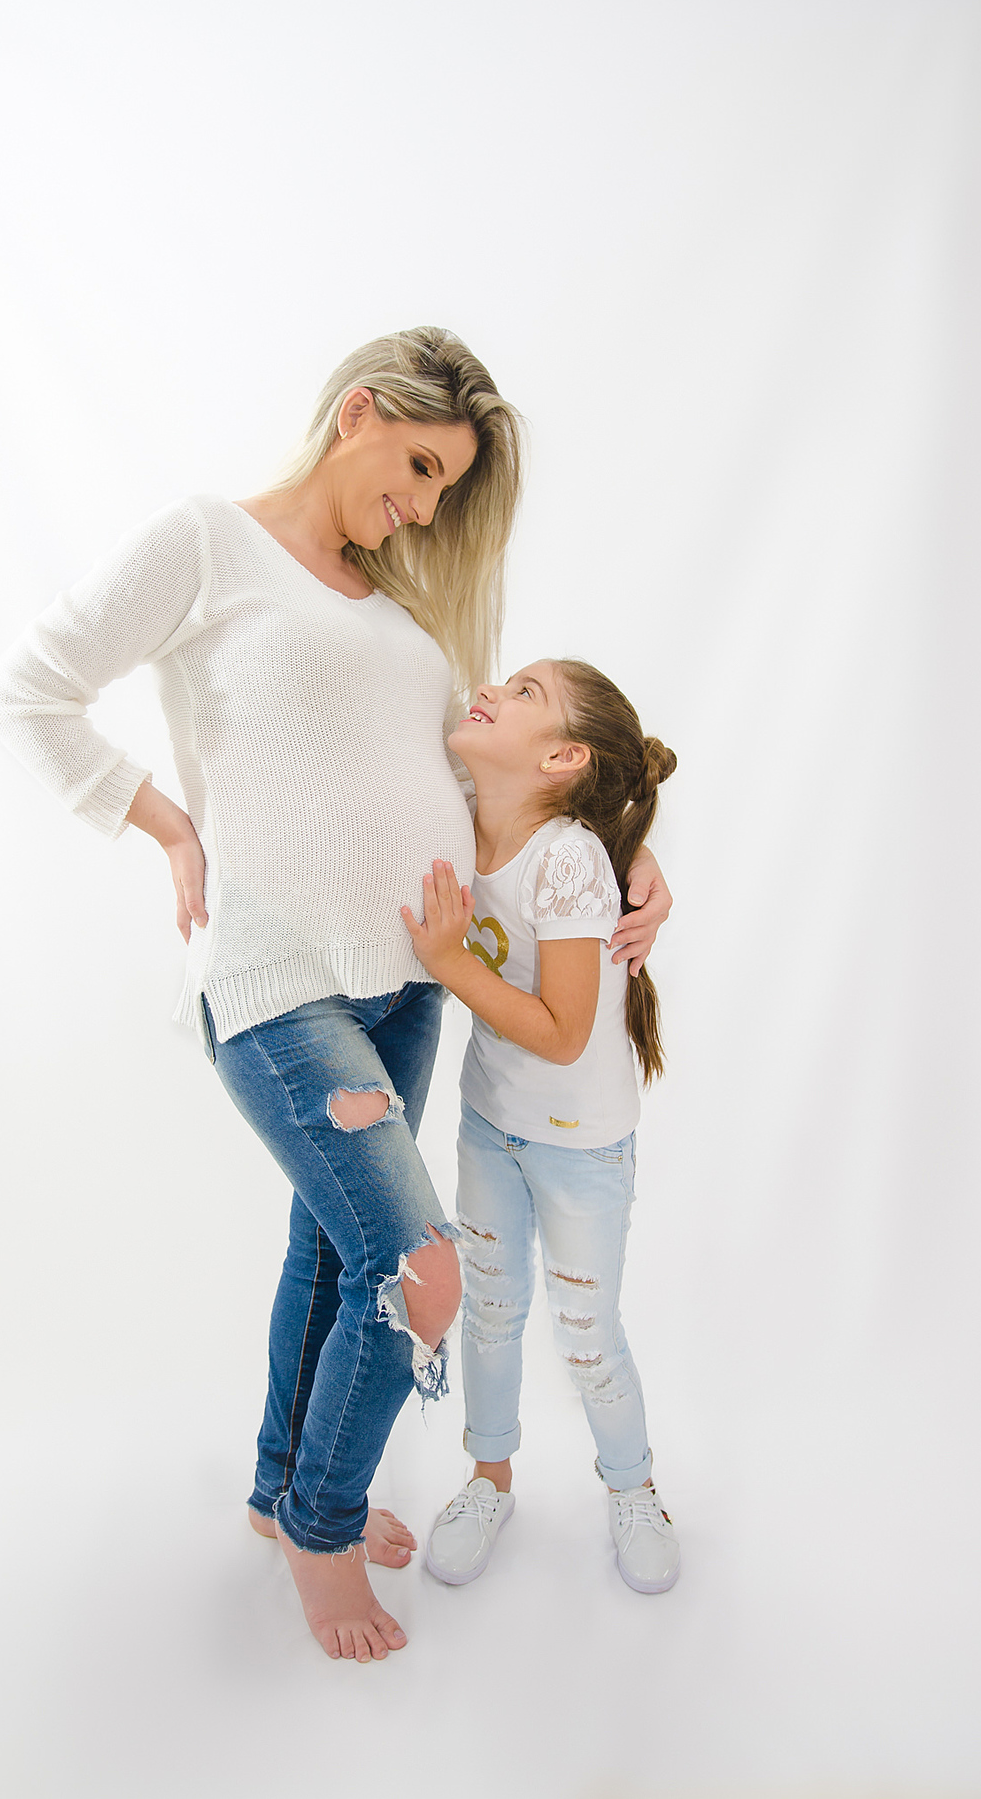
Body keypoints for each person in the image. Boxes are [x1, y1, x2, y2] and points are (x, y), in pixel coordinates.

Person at [0, 329, 673, 1663]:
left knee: (331, 1247)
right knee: (416, 1270)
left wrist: (630, 855)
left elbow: (508, 773)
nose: (421, 507)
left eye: (443, 492)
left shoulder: (390, 601)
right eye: (417, 467)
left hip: (410, 987)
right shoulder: (206, 544)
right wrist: (170, 828)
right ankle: (322, 1527)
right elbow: (31, 691)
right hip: (277, 981)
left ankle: (275, 1488)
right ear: (357, 412)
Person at [402, 656, 681, 1595]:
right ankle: (489, 1480)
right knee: (490, 1311)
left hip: (582, 1145)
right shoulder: (462, 804)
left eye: (527, 694)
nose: (495, 687)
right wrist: (636, 851)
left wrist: (450, 962)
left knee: (587, 1331)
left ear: (561, 756)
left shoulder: (565, 857)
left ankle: (634, 1487)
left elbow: (564, 1036)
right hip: (492, 1125)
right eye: (508, 679)